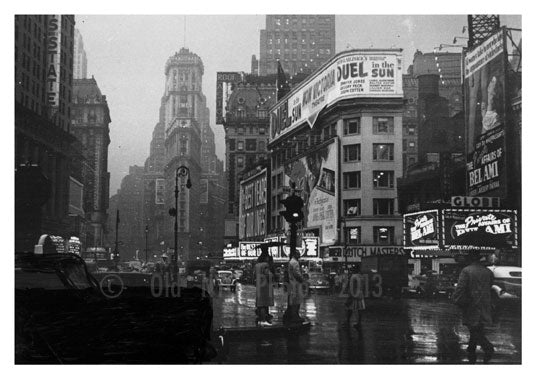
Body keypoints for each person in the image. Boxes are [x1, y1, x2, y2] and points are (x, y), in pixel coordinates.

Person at [452, 250, 495, 364]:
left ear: (470, 258)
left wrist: (455, 299)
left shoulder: (466, 271)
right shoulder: (488, 272)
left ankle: (488, 347)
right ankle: (471, 348)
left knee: (474, 328)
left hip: (471, 304)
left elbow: (461, 288)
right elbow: (490, 285)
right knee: (477, 327)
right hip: (485, 304)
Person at [284, 249, 305, 324]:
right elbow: (297, 274)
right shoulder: (295, 262)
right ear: (295, 254)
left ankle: (294, 315)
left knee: (293, 300)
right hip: (296, 284)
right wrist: (302, 280)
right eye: (298, 254)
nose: (299, 255)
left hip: (291, 283)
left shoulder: (291, 262)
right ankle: (295, 316)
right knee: (297, 301)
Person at [255, 245, 275, 326]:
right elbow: (269, 275)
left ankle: (261, 319)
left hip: (259, 285)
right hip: (265, 285)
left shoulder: (257, 264)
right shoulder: (265, 265)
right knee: (264, 303)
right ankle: (263, 320)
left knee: (260, 303)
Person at [345, 264, 366, 333]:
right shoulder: (362, 277)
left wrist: (350, 295)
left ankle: (347, 321)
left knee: (349, 308)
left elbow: (351, 286)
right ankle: (359, 323)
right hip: (360, 294)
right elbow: (363, 286)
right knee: (359, 309)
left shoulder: (353, 276)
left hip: (354, 294)